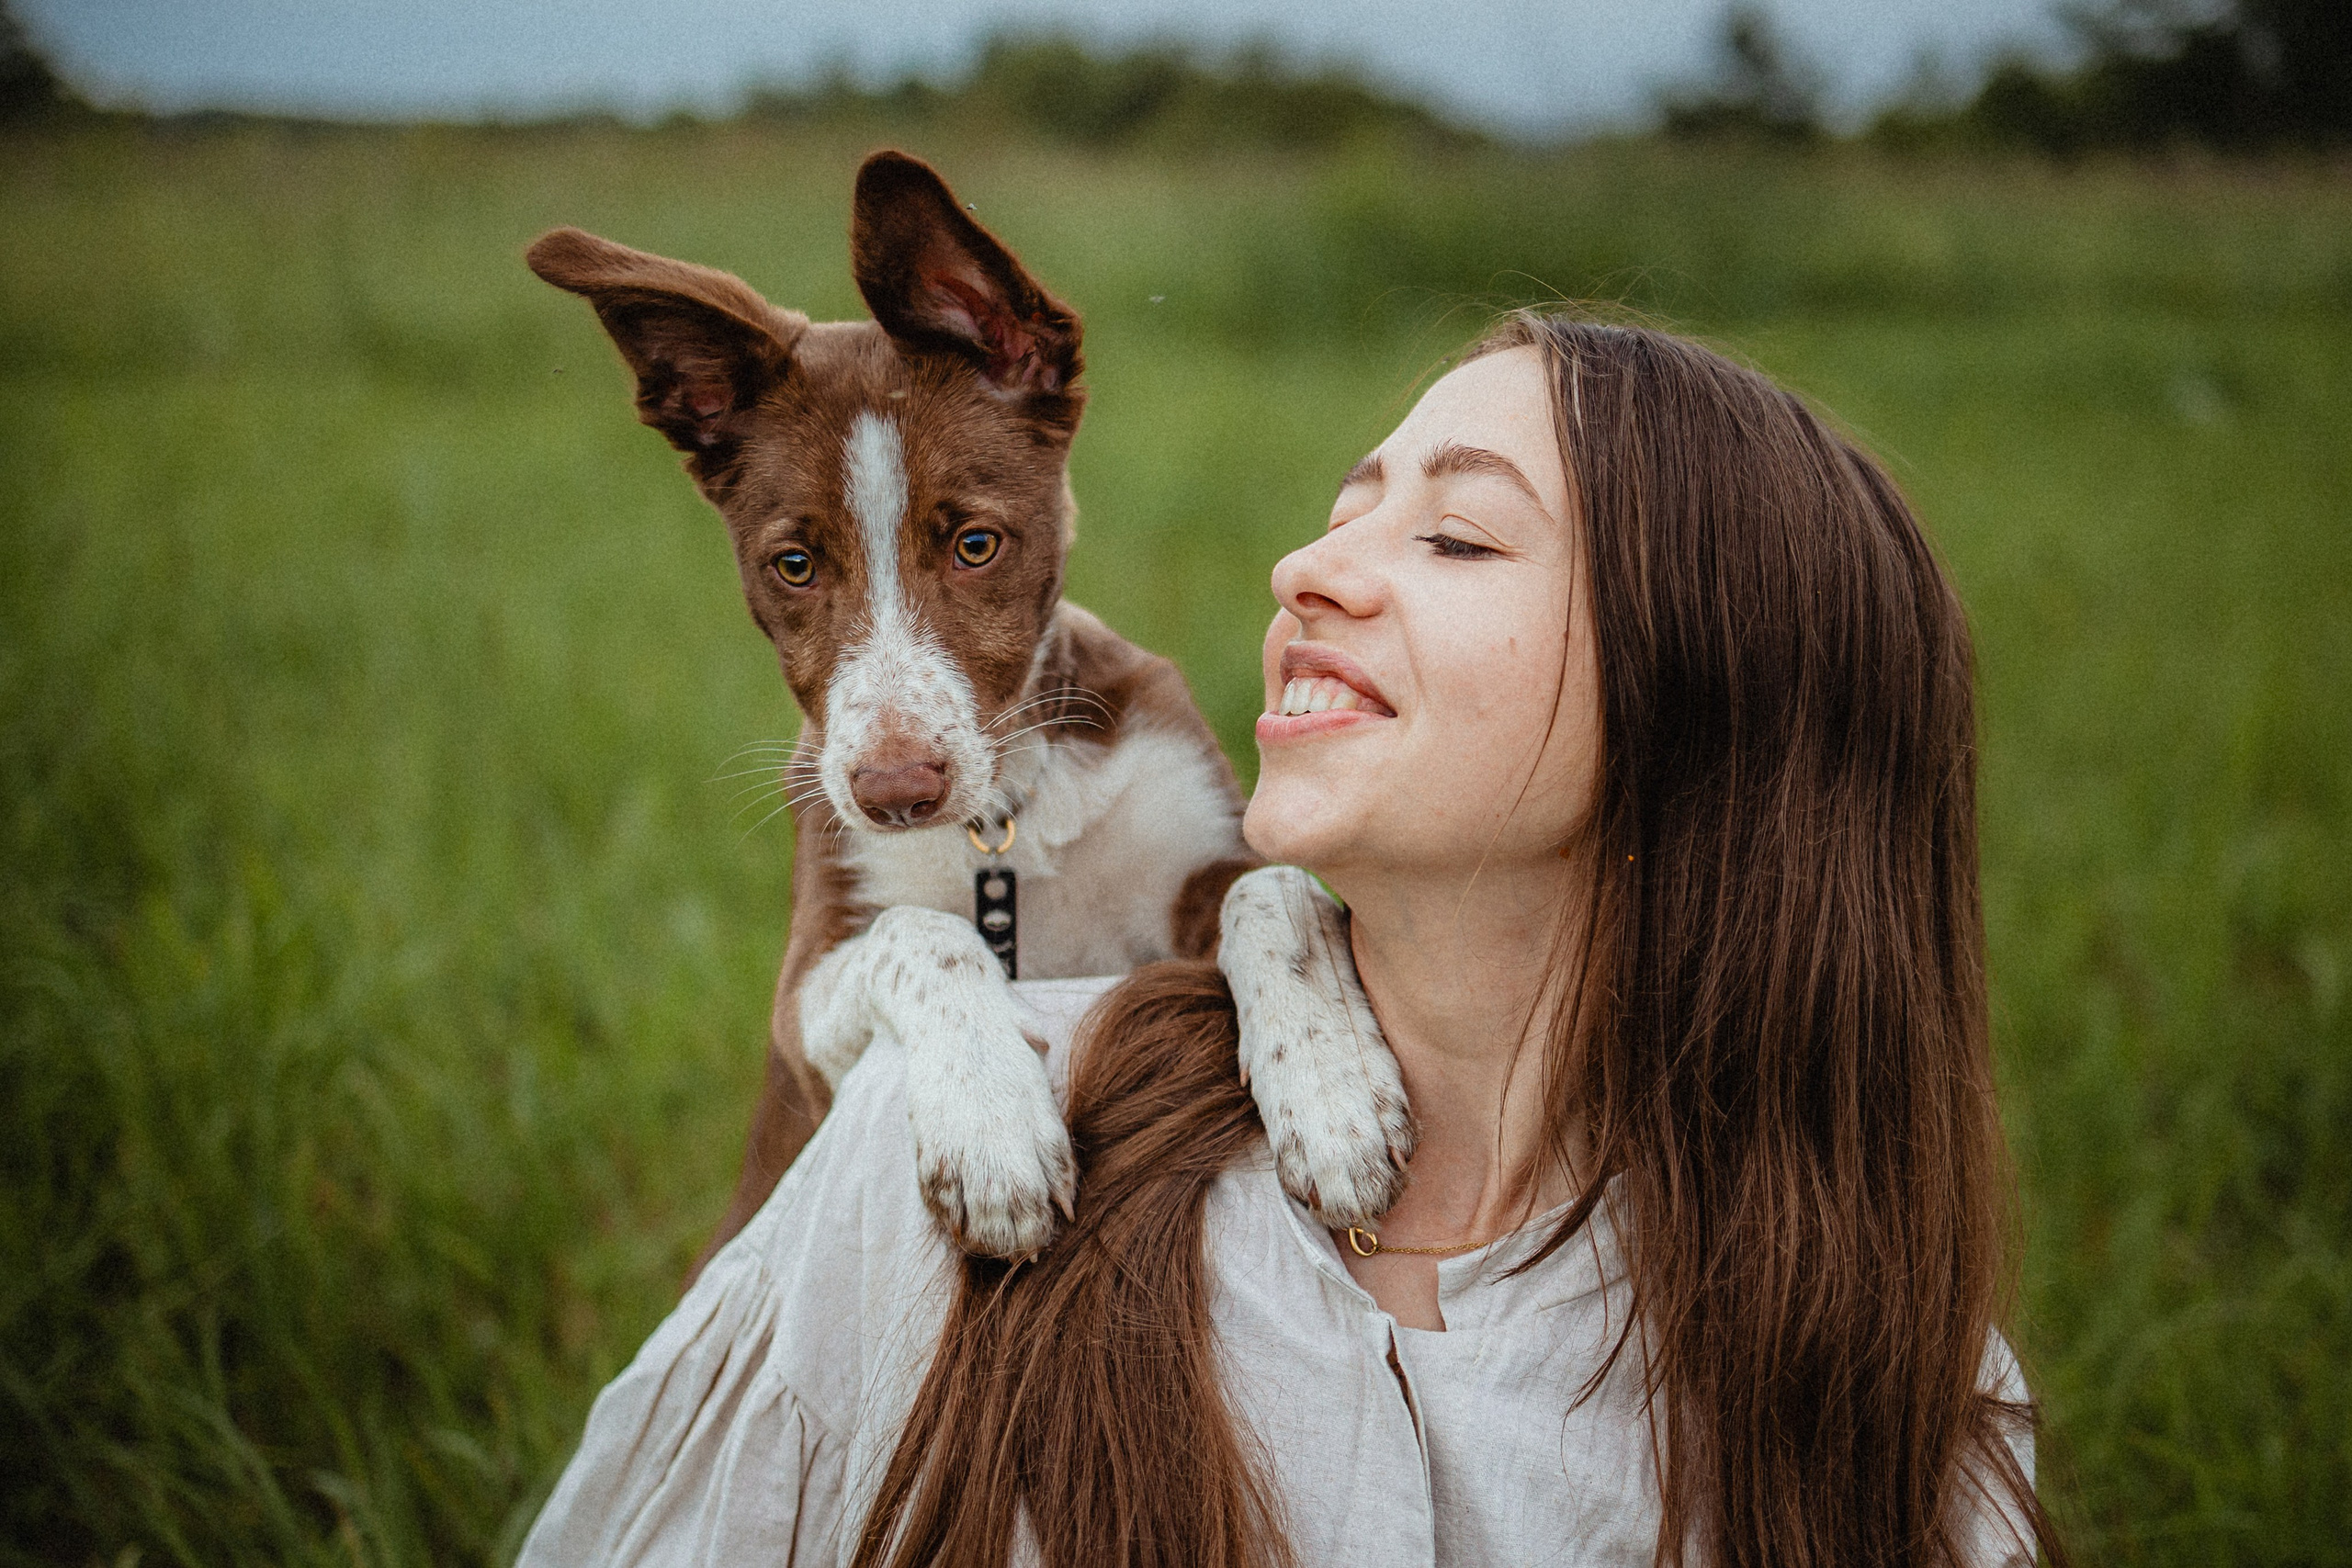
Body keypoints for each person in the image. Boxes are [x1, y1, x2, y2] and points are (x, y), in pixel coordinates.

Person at [517, 313, 2059, 1568]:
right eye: (1343, 508)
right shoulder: (926, 1159)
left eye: (1456, 538)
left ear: (1708, 702)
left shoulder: (1885, 1386)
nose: (1303, 570)